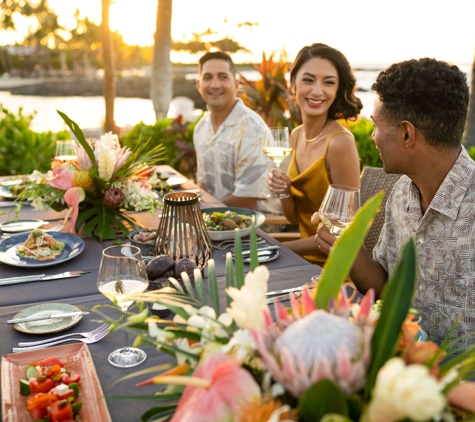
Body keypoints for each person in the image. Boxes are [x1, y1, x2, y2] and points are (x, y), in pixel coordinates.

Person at [313, 58, 475, 348]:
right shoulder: (401, 193)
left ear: (406, 134)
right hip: (397, 363)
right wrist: (345, 246)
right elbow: (385, 287)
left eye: (376, 125)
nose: (373, 137)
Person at [267, 43, 362, 265]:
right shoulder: (296, 136)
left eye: (328, 83)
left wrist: (274, 247)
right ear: (293, 85)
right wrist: (283, 190)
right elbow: (293, 218)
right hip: (298, 262)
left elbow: (341, 234)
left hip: (332, 269)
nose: (317, 91)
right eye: (308, 80)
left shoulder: (340, 144)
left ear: (337, 90)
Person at [193, 51, 280, 214]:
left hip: (257, 229)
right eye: (207, 77)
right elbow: (204, 186)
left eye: (223, 77)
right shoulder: (201, 128)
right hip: (216, 220)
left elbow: (245, 200)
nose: (215, 84)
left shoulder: (252, 130)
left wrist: (196, 213)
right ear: (199, 85)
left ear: (236, 84)